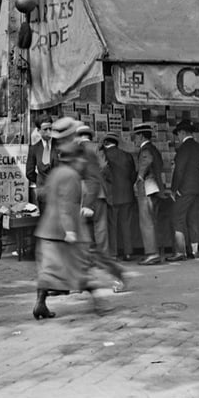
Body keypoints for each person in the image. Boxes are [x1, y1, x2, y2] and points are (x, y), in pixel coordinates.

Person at [31, 140, 107, 320]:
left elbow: (43, 193)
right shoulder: (71, 176)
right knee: (80, 267)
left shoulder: (56, 173)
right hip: (65, 231)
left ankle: (40, 304)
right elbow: (67, 204)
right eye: (81, 159)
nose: (83, 162)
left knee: (49, 270)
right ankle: (98, 302)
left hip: (48, 230)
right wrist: (70, 230)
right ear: (75, 159)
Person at [76, 126, 125, 293]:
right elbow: (104, 167)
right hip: (98, 195)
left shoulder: (74, 150)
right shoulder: (96, 147)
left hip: (80, 197)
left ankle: (82, 278)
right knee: (101, 234)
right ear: (90, 136)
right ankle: (114, 276)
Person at [168, 119, 199, 261]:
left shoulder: (183, 148)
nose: (178, 137)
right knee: (192, 219)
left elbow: (179, 170)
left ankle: (180, 252)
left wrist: (174, 189)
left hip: (185, 189)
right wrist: (197, 174)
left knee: (177, 217)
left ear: (182, 133)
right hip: (197, 188)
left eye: (178, 134)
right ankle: (193, 250)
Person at [132, 123, 166, 266]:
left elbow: (147, 160)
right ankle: (157, 252)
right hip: (155, 189)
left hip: (147, 188)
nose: (134, 139)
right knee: (153, 221)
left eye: (135, 136)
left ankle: (152, 254)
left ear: (141, 136)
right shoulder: (154, 149)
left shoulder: (145, 149)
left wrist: (139, 176)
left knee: (147, 223)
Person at [102, 133, 137, 261]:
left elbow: (104, 173)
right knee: (126, 225)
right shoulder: (127, 155)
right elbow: (133, 174)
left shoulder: (104, 156)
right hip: (127, 194)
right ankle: (128, 253)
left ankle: (113, 253)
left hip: (112, 195)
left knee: (112, 225)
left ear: (106, 143)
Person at [25, 118, 55, 209]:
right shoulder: (34, 149)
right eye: (45, 129)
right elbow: (29, 172)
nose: (49, 132)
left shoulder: (60, 146)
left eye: (50, 129)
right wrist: (40, 181)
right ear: (38, 131)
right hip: (44, 195)